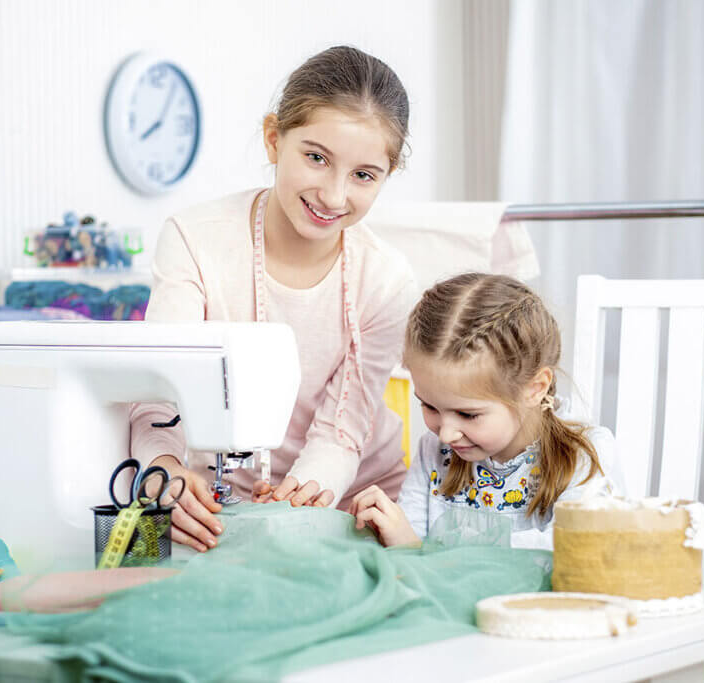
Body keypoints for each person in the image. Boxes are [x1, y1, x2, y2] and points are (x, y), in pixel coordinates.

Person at [130, 46, 418, 553]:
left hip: (351, 499)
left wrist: (295, 506)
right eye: (316, 157)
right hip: (216, 506)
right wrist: (165, 470)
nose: (333, 195)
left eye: (364, 175)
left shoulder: (387, 282)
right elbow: (159, 390)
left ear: (386, 176)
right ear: (272, 139)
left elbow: (342, 430)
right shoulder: (194, 241)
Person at [349, 273, 622, 549]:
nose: (446, 434)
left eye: (468, 415)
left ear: (534, 388)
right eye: (429, 406)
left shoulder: (584, 454)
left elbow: (570, 548)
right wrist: (391, 533)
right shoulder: (434, 451)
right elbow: (412, 548)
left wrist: (425, 552)